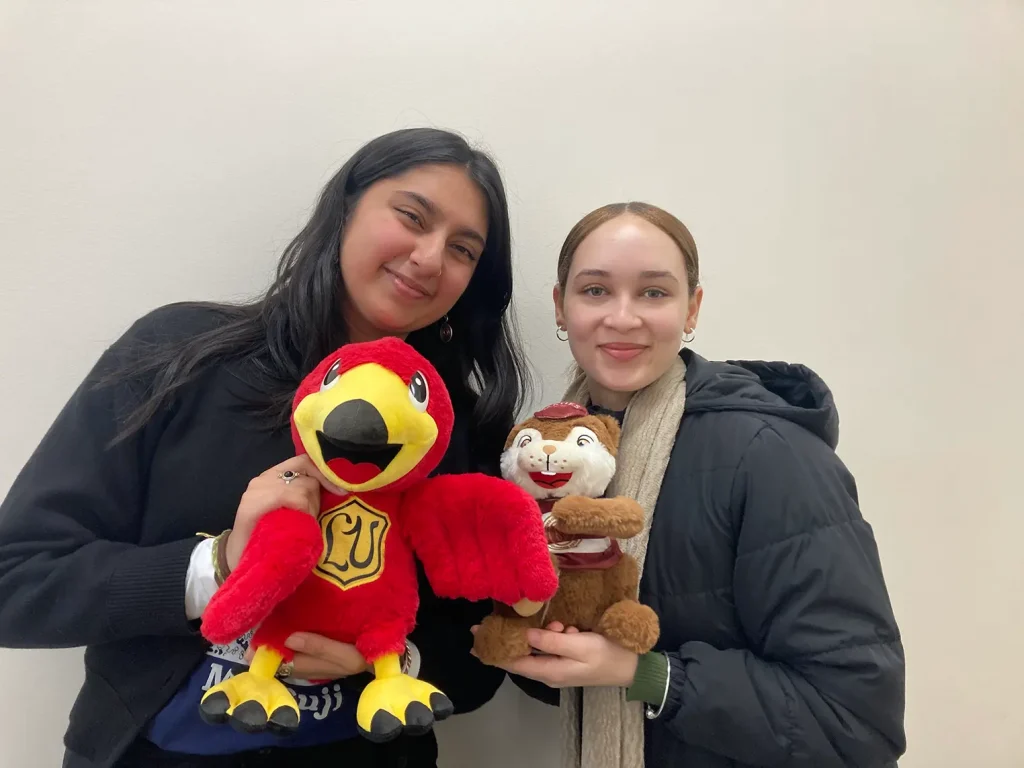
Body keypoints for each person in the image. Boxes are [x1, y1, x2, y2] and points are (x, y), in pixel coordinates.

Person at [0, 127, 529, 768]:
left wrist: (391, 660)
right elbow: (16, 582)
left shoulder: (457, 428)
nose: (430, 257)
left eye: (464, 249)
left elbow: (479, 661)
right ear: (345, 209)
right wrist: (220, 565)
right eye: (412, 217)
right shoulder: (177, 354)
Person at [490, 202, 906, 768]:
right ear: (562, 306)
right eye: (596, 290)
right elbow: (572, 667)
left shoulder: (771, 455)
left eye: (653, 292)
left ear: (692, 309)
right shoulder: (549, 455)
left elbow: (856, 720)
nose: (622, 318)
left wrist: (646, 675)